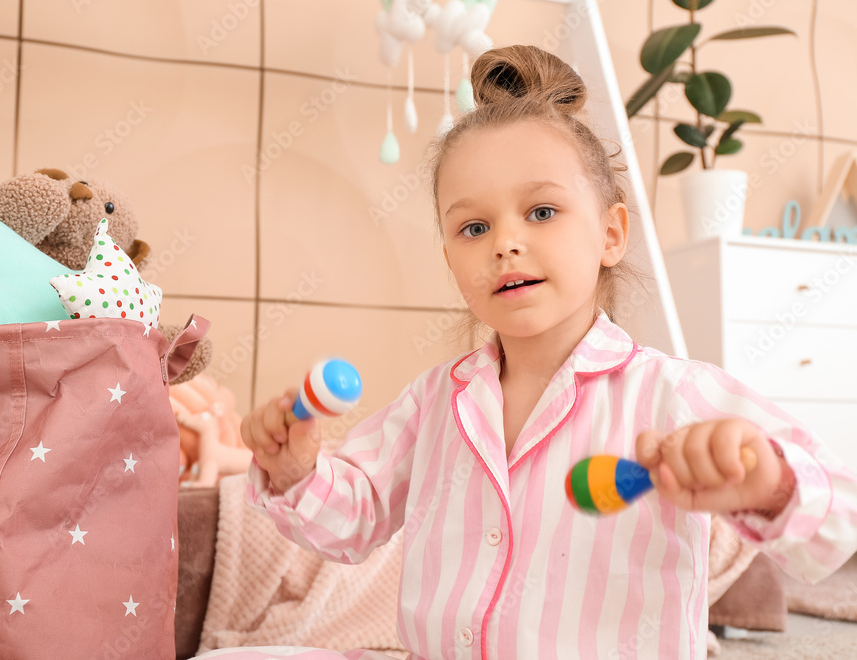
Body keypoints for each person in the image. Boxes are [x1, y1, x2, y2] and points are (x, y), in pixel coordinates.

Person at [198, 45, 857, 660]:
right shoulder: (434, 401)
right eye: (474, 226)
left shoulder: (674, 394)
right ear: (451, 257)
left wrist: (770, 484)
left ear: (611, 232)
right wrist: (295, 471)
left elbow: (840, 518)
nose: (504, 244)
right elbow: (357, 518)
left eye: (541, 212)